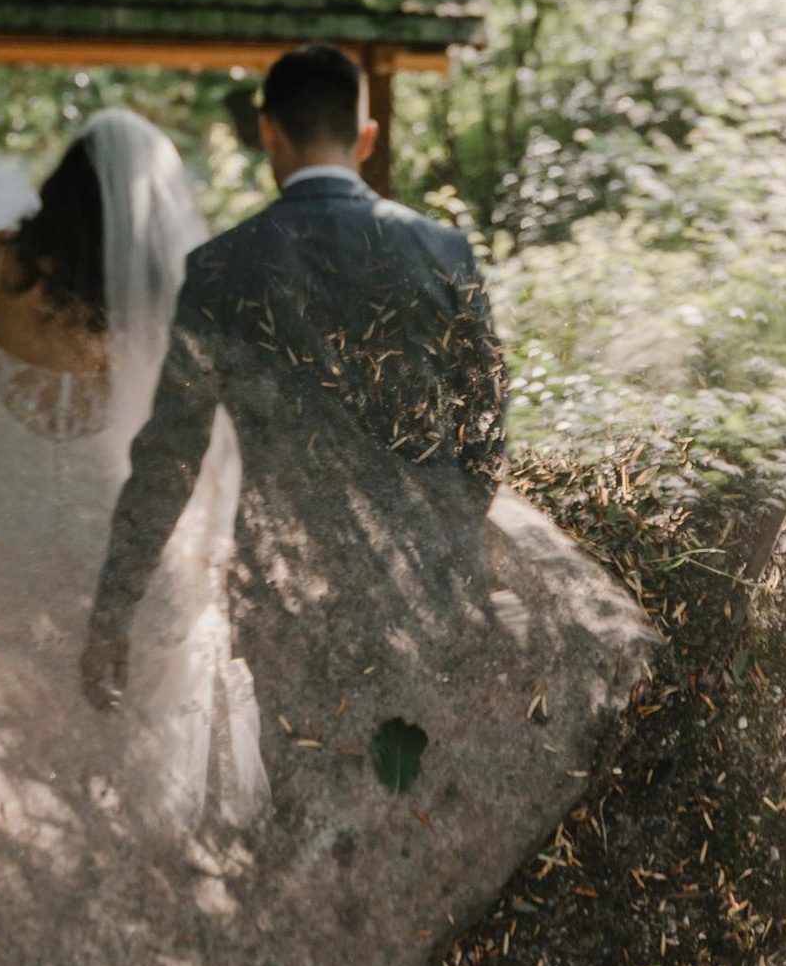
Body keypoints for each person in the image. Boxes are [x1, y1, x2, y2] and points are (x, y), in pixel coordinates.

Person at [83, 43, 507, 730]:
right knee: (432, 778)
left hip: (292, 591)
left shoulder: (220, 268)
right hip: (431, 582)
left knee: (308, 770)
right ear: (366, 137)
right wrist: (451, 531)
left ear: (268, 131)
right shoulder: (443, 251)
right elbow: (485, 423)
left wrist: (112, 612)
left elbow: (169, 458)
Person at [0, 109, 261, 882]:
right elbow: (198, 434)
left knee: (5, 723)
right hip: (116, 544)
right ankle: (121, 886)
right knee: (123, 725)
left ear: (62, 184)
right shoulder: (162, 289)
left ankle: (6, 886)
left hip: (3, 539)